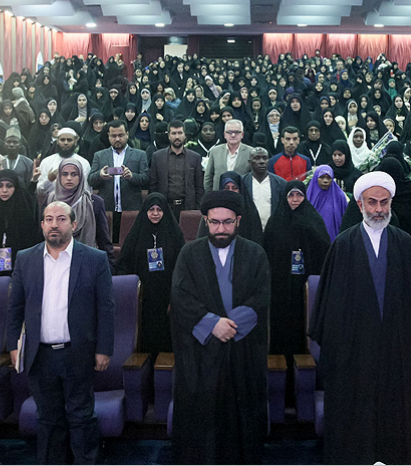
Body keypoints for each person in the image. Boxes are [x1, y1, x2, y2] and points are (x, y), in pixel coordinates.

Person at [310, 171, 411, 464]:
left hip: (397, 354)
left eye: (384, 203)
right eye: (372, 203)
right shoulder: (343, 245)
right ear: (359, 204)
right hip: (354, 356)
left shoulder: (404, 243)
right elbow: (330, 310)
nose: (379, 210)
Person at [6, 201, 115, 465]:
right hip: (39, 355)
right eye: (49, 219)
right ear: (42, 224)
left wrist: (104, 349)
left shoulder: (94, 259)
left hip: (77, 352)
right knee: (48, 420)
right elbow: (15, 306)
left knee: (81, 418)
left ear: (74, 225)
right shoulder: (26, 258)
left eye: (61, 219)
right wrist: (12, 345)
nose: (54, 224)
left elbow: (106, 308)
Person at [170, 190, 271, 464]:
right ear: (205, 220)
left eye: (227, 222)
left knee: (242, 417)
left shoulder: (255, 253)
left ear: (238, 220)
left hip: (243, 349)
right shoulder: (189, 254)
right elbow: (180, 297)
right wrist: (213, 324)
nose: (221, 229)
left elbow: (260, 297)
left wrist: (232, 326)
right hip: (202, 352)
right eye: (214, 222)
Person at [262, 181, 331, 355]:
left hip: (305, 287)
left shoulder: (314, 220)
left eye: (299, 195)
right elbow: (267, 252)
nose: (295, 200)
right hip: (280, 287)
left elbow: (323, 251)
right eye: (291, 195)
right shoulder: (275, 222)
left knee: (304, 322)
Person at [116, 193, 185, 354]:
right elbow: (123, 264)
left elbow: (182, 267)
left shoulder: (174, 234)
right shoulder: (135, 234)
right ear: (145, 211)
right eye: (151, 209)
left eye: (159, 209)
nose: (155, 213)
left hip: (167, 297)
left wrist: (176, 296)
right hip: (142, 299)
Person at [49, 157, 115, 270]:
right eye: (64, 174)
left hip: (87, 264)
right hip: (55, 264)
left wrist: (110, 268)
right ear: (59, 177)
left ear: (81, 177)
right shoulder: (50, 201)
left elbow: (103, 240)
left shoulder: (94, 202)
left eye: (74, 174)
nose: (69, 178)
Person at [89, 121, 150, 241]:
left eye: (121, 135)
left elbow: (146, 179)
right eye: (113, 136)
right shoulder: (99, 155)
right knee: (108, 241)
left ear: (127, 134)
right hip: (107, 208)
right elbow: (90, 179)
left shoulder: (140, 155)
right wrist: (100, 175)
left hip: (131, 208)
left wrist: (132, 176)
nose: (117, 139)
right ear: (108, 136)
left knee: (131, 242)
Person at [149, 120, 205, 221]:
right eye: (173, 133)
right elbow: (153, 186)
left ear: (185, 135)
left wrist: (198, 209)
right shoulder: (157, 157)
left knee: (188, 236)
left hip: (188, 207)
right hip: (165, 207)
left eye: (180, 133)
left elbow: (199, 186)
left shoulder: (195, 157)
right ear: (169, 135)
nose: (177, 137)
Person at [37, 128, 92, 205]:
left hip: (76, 205)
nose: (66, 143)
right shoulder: (47, 162)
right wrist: (49, 180)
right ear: (57, 142)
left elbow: (87, 190)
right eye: (62, 140)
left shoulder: (83, 163)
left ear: (75, 142)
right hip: (52, 205)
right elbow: (40, 191)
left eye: (69, 140)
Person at [241, 146, 286, 230]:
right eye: (257, 158)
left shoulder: (281, 183)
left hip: (273, 230)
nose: (261, 162)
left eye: (265, 158)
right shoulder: (241, 182)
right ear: (250, 162)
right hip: (249, 230)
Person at [204, 119, 253, 191]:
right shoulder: (215, 151)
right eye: (229, 132)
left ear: (242, 134)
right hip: (218, 196)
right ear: (224, 134)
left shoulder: (251, 152)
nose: (233, 135)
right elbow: (208, 177)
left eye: (237, 132)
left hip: (242, 197)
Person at [306, 164, 349, 241]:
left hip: (335, 239)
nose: (325, 181)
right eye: (322, 177)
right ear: (316, 178)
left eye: (328, 178)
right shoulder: (309, 195)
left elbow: (346, 219)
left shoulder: (339, 196)